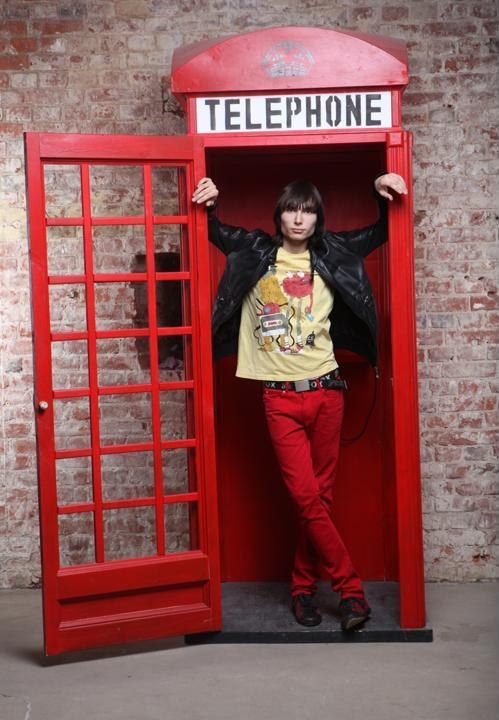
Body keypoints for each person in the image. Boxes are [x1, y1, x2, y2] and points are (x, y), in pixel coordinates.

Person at [192, 171, 408, 631]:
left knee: (319, 500)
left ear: (317, 218)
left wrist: (380, 192)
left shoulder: (334, 252)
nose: (298, 218)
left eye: (307, 211)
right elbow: (212, 229)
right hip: (279, 397)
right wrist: (208, 201)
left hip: (328, 392)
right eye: (291, 209)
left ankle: (303, 590)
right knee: (306, 498)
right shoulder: (254, 250)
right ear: (279, 215)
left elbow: (381, 231)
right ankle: (351, 592)